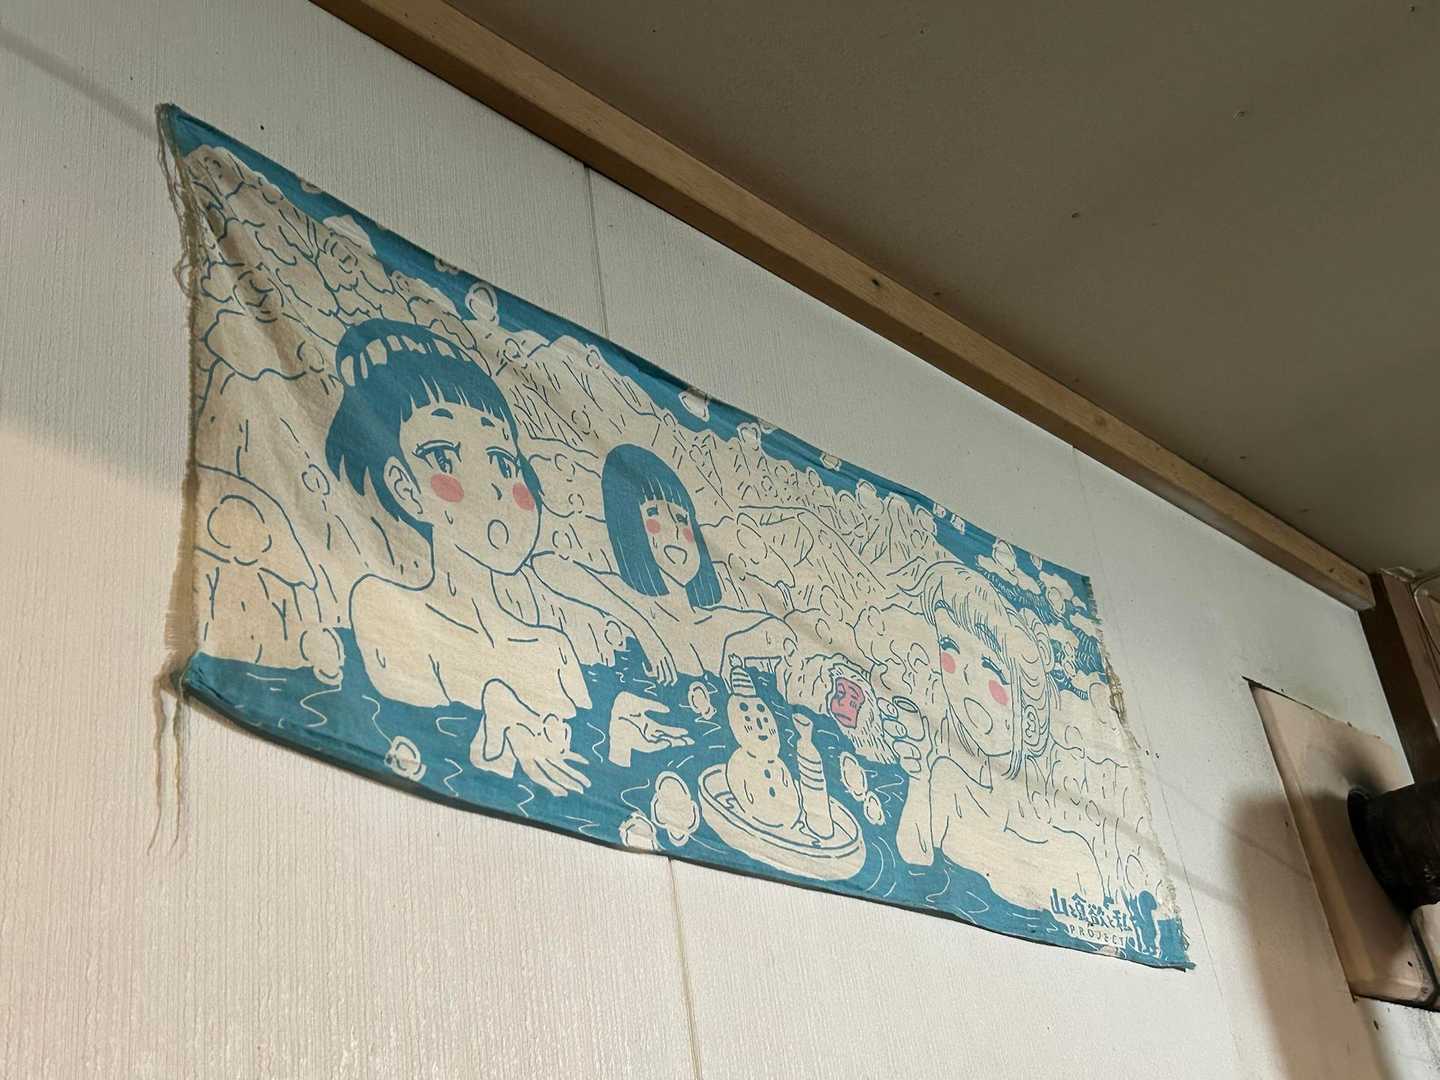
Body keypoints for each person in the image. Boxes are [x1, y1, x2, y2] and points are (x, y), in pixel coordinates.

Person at [325, 319, 590, 797]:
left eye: (503, 462)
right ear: (405, 487)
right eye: (444, 457)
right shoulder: (383, 607)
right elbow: (403, 737)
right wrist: (492, 707)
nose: (492, 486)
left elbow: (591, 780)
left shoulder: (554, 650)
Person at [534, 444, 793, 687]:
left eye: (681, 518)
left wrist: (733, 645)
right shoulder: (628, 598)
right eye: (654, 514)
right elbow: (547, 565)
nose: (675, 532)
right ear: (629, 525)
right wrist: (643, 629)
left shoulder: (715, 619)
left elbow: (783, 634)